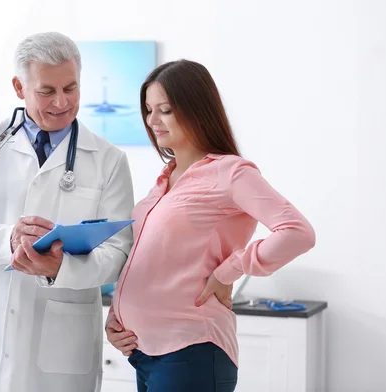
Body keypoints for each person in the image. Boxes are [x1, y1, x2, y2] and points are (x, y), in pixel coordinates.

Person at [0, 32, 134, 392]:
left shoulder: (109, 160)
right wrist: (7, 239)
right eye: (46, 91)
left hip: (60, 351)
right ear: (19, 87)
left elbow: (116, 254)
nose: (61, 102)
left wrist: (60, 267)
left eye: (71, 88)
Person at [105, 60, 316, 392]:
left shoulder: (231, 173)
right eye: (148, 110)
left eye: (166, 110)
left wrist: (228, 270)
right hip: (145, 351)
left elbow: (297, 232)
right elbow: (147, 259)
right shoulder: (164, 180)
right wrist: (118, 312)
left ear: (197, 110)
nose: (152, 121)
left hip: (191, 351)